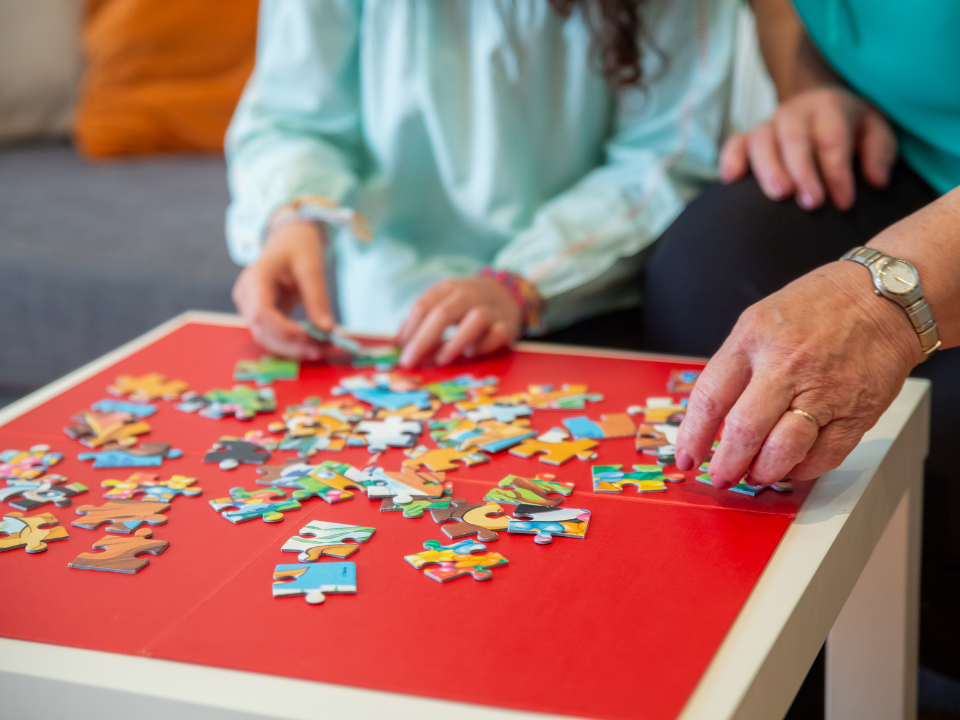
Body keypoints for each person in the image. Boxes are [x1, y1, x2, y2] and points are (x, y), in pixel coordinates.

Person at [642, 0, 960, 685]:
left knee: (943, 421)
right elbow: (785, 13)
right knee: (707, 270)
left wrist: (879, 303)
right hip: (908, 161)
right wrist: (815, 93)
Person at [226, 0, 739, 368]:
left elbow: (663, 157)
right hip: (392, 323)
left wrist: (521, 280)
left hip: (582, 299)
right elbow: (294, 118)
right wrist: (294, 219)